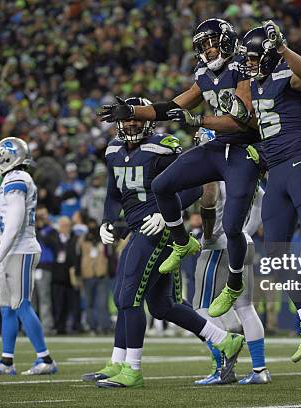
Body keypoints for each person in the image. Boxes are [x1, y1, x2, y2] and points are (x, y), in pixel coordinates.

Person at [99, 19, 260, 309]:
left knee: (234, 226)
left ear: (226, 40)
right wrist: (132, 110)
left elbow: (242, 120)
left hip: (245, 148)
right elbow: (174, 106)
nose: (208, 50)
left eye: (212, 42)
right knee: (163, 184)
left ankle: (234, 283)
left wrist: (197, 120)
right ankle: (182, 241)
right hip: (219, 144)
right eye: (203, 45)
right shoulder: (203, 73)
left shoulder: (242, 66)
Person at [85, 97, 245, 389]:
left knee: (126, 296)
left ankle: (131, 369)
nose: (131, 124)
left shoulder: (164, 147)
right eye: (126, 119)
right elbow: (113, 193)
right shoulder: (112, 150)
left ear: (148, 119)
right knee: (161, 305)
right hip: (138, 227)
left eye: (136, 118)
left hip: (160, 230)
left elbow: (195, 186)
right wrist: (107, 220)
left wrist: (165, 213)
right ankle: (224, 340)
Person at [217, 21, 301, 362]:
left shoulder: (289, 73)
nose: (250, 63)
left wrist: (283, 47)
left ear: (271, 55)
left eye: (256, 57)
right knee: (274, 254)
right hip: (274, 173)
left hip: (300, 162)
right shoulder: (254, 87)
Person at [192, 139, 269, 385]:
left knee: (201, 308)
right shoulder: (244, 170)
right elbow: (260, 201)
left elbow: (209, 197)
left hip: (218, 246)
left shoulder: (213, 172)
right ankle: (260, 370)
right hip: (243, 242)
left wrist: (207, 236)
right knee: (245, 308)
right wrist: (245, 232)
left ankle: (222, 367)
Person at [0, 137, 57, 376]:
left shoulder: (17, 180)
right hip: (12, 250)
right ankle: (6, 361)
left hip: (20, 249)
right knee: (6, 308)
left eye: (0, 156)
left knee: (20, 304)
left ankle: (45, 359)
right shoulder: (12, 180)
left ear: (10, 156)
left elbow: (13, 227)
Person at [78, 218, 112, 334]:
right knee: (89, 303)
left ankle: (104, 326)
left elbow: (110, 255)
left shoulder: (104, 239)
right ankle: (92, 326)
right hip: (87, 274)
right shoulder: (82, 240)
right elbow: (77, 257)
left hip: (101, 274)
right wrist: (78, 273)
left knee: (102, 303)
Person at [33, 205, 58, 333]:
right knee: (31, 300)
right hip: (31, 267)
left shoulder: (51, 231)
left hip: (44, 267)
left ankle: (46, 326)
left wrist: (42, 228)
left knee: (44, 298)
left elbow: (53, 245)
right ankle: (30, 327)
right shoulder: (30, 230)